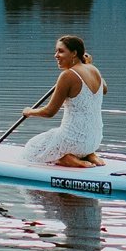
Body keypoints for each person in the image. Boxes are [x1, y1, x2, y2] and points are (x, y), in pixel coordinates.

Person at [20, 34, 107, 168]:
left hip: (73, 140)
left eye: (61, 51)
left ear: (74, 53)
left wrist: (29, 112)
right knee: (57, 137)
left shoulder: (67, 75)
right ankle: (89, 154)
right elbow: (104, 89)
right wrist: (87, 64)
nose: (56, 55)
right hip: (94, 140)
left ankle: (65, 159)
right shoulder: (93, 69)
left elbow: (49, 112)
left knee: (30, 149)